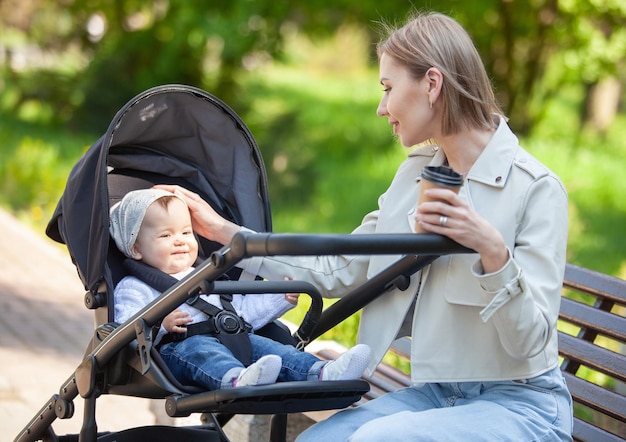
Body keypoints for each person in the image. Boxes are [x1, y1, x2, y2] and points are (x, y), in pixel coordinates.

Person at [156, 11, 573, 441]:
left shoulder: (535, 190)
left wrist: (492, 252)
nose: (381, 108)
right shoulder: (416, 177)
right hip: (436, 395)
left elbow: (532, 345)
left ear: (432, 85)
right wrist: (227, 232)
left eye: (388, 89)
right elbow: (342, 267)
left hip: (520, 404)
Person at [110, 188, 371, 391]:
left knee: (267, 347)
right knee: (202, 349)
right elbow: (125, 331)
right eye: (165, 236)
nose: (179, 241)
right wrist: (160, 323)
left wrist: (280, 297)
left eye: (186, 232)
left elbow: (240, 312)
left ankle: (323, 371)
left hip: (230, 337)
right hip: (174, 353)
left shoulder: (204, 277)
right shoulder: (135, 287)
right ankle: (236, 380)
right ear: (135, 248)